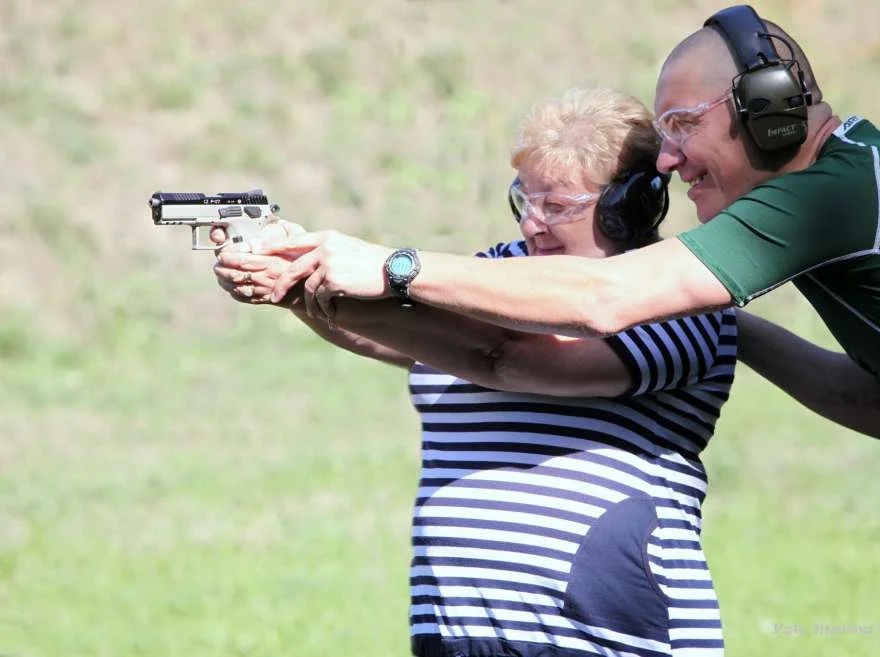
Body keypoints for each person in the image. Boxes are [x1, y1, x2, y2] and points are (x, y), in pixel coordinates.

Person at [254, 5, 880, 655]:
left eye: (685, 126)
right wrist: (303, 282)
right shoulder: (875, 182)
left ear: (768, 110)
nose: (669, 160)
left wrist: (392, 265)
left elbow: (595, 303)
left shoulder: (836, 195)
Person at [215, 88, 739, 657]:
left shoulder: (679, 296)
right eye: (525, 200)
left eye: (560, 205)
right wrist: (297, 282)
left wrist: (391, 271)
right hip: (458, 628)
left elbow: (520, 355)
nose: (534, 223)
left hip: (601, 637)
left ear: (631, 205)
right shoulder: (497, 271)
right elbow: (399, 337)